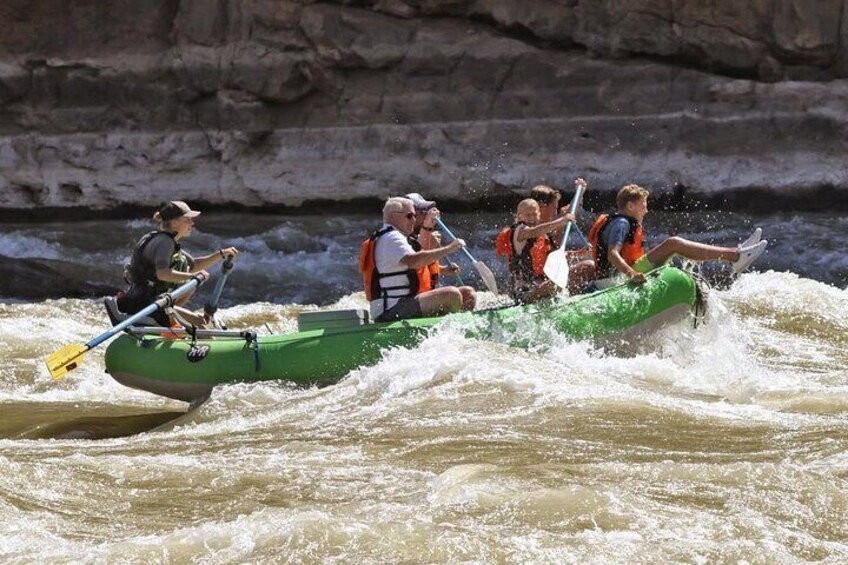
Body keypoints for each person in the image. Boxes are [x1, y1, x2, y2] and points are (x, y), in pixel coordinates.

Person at [587, 184, 767, 289]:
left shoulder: (620, 221)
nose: (646, 210)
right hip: (615, 280)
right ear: (630, 206)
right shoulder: (622, 223)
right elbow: (612, 254)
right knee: (673, 243)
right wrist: (632, 274)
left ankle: (737, 252)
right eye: (643, 205)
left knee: (671, 245)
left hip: (620, 273)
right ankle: (735, 256)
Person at [116, 201, 239, 328]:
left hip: (148, 302)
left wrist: (220, 254)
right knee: (201, 325)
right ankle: (167, 323)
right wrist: (192, 276)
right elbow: (163, 274)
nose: (192, 223)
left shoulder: (161, 238)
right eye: (188, 219)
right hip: (147, 307)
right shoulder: (165, 242)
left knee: (199, 314)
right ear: (174, 222)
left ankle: (170, 318)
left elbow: (193, 265)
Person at [359, 197, 476, 322]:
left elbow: (414, 266)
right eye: (409, 216)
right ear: (393, 217)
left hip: (405, 302)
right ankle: (452, 327)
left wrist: (442, 269)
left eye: (415, 216)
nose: (414, 220)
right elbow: (413, 261)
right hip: (390, 309)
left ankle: (460, 325)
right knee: (451, 294)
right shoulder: (391, 237)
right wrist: (449, 248)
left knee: (468, 294)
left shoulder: (399, 237)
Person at [496, 197, 583, 304]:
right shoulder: (520, 230)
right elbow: (533, 231)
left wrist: (579, 253)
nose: (532, 218)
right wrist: (562, 221)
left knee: (585, 267)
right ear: (519, 216)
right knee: (556, 284)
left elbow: (553, 257)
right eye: (528, 215)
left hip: (541, 284)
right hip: (524, 293)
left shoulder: (543, 234)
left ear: (539, 214)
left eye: (534, 214)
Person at [404, 192, 462, 288]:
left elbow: (424, 263)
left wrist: (443, 269)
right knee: (456, 292)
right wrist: (427, 228)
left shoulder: (418, 236)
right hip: (413, 293)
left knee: (467, 292)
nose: (426, 215)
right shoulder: (399, 238)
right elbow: (415, 262)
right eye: (422, 212)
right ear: (409, 215)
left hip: (429, 290)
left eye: (426, 211)